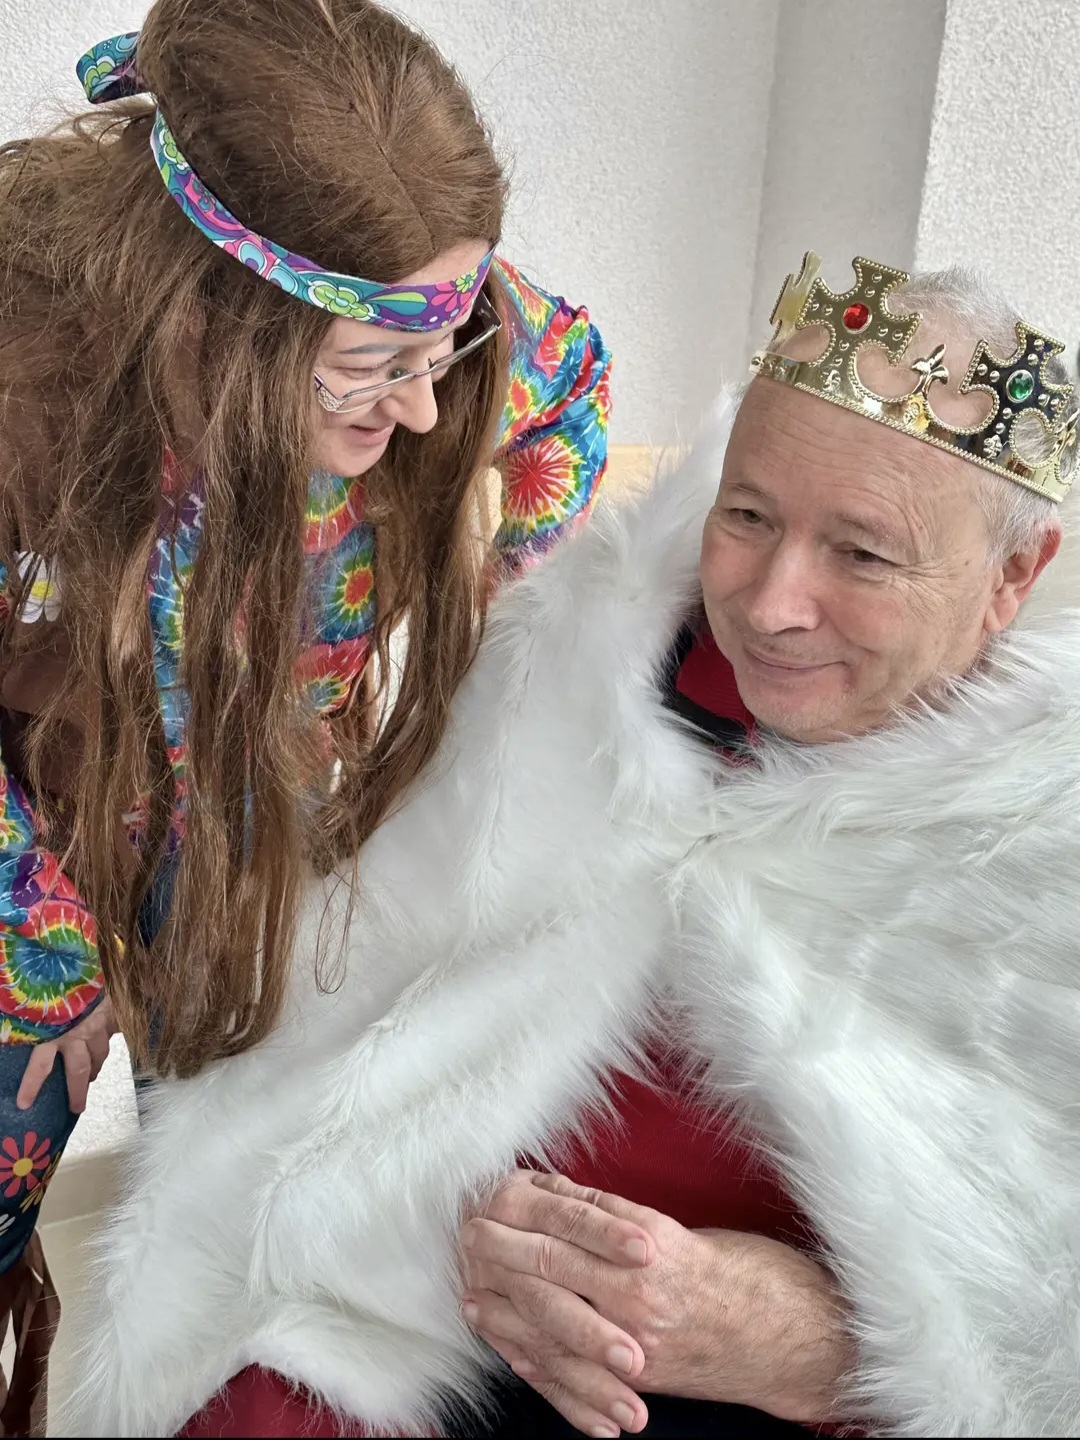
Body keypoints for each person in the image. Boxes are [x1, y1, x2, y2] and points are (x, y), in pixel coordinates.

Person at [58, 248, 1080, 1440]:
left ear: (1013, 575)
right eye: (746, 516)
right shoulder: (575, 662)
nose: (769, 605)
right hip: (398, 1318)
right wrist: (97, 944)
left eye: (861, 554)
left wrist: (826, 1348)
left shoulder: (1046, 847)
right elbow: (354, 982)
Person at [0, 1, 611, 1428]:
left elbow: (568, 393)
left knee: (233, 1215)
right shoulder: (24, 377)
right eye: (367, 365)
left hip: (246, 815)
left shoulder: (432, 320)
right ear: (214, 309)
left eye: (440, 347)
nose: (421, 411)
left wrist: (492, 621)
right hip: (32, 827)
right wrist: (52, 953)